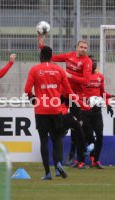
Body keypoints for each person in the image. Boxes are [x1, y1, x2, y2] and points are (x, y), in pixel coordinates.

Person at [38, 35, 93, 169]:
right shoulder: (69, 56)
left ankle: (80, 156)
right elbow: (52, 57)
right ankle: (62, 156)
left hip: (76, 96)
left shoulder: (87, 62)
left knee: (77, 126)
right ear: (76, 47)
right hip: (64, 94)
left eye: (86, 48)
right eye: (81, 47)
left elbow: (86, 81)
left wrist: (70, 76)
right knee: (60, 122)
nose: (83, 49)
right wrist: (41, 45)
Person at [25, 46, 78, 180]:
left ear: (41, 56)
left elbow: (27, 89)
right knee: (57, 139)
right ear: (51, 55)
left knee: (43, 140)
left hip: (41, 110)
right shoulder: (59, 70)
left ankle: (47, 173)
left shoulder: (34, 69)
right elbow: (69, 91)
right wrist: (71, 99)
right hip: (56, 109)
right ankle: (58, 166)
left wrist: (32, 98)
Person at [67, 55, 115, 169]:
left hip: (97, 111)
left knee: (99, 135)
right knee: (84, 135)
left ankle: (96, 160)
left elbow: (102, 92)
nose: (93, 63)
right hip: (83, 110)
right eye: (91, 62)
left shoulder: (100, 77)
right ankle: (81, 161)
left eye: (95, 62)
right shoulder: (80, 78)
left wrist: (108, 103)